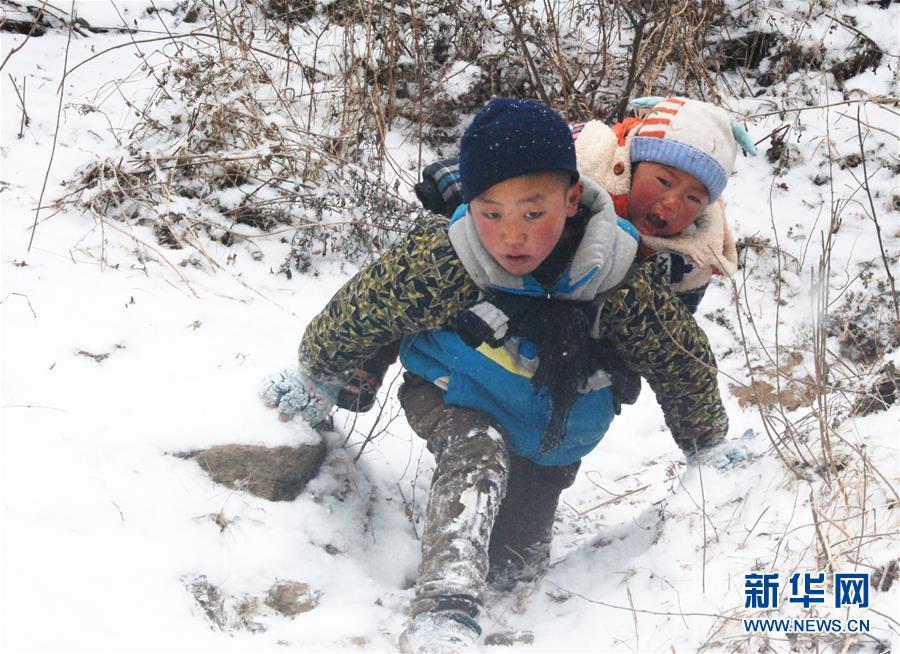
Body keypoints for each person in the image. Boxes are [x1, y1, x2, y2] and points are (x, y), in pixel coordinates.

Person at [262, 98, 740, 653]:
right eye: (492, 213)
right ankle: (445, 606)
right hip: (453, 388)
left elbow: (678, 356)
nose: (512, 237)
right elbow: (362, 309)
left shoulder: (614, 274)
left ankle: (504, 573)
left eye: (533, 215)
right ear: (471, 204)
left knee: (516, 566)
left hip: (552, 433)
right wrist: (315, 377)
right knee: (477, 452)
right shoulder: (446, 258)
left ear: (570, 199)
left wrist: (706, 442)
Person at [339, 96, 756, 414]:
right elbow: (512, 159)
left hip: (571, 321)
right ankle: (368, 357)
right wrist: (456, 187)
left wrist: (620, 364)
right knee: (427, 267)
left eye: (693, 198)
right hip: (507, 261)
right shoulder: (587, 160)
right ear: (631, 162)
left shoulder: (689, 261)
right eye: (663, 181)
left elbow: (672, 338)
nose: (671, 204)